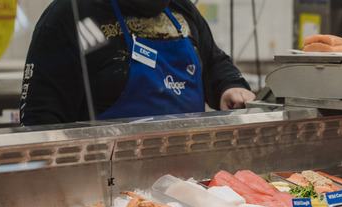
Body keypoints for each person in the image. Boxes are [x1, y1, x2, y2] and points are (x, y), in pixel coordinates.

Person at [20, 0, 255, 126]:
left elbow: (214, 62)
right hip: (103, 187)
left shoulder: (182, 10)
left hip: (186, 180)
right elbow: (40, 121)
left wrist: (229, 85)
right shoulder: (69, 16)